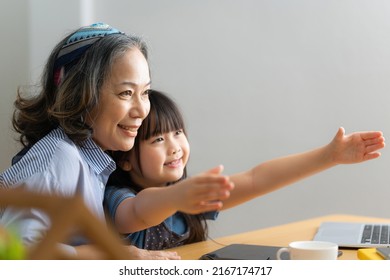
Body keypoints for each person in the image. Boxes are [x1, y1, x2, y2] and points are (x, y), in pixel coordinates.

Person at [0, 23, 233, 259]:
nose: (142, 110)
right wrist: (117, 256)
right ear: (80, 95)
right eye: (126, 93)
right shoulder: (60, 158)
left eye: (145, 93)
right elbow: (16, 256)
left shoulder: (93, 159)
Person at [104, 90, 385, 250]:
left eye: (178, 132)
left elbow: (256, 179)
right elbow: (140, 211)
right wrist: (180, 196)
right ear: (125, 159)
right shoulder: (120, 199)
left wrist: (328, 156)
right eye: (158, 139)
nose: (175, 146)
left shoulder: (187, 196)